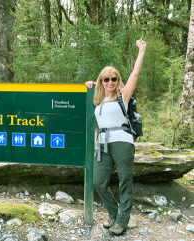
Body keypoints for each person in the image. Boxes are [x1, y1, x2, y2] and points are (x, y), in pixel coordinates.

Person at [85, 38, 146, 236]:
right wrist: (88, 84)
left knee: (125, 180)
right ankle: (114, 212)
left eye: (114, 79)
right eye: (106, 79)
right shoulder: (97, 98)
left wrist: (141, 50)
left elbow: (135, 74)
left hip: (122, 141)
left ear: (118, 81)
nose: (110, 82)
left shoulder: (124, 96)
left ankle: (121, 221)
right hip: (102, 143)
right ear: (102, 81)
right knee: (98, 181)